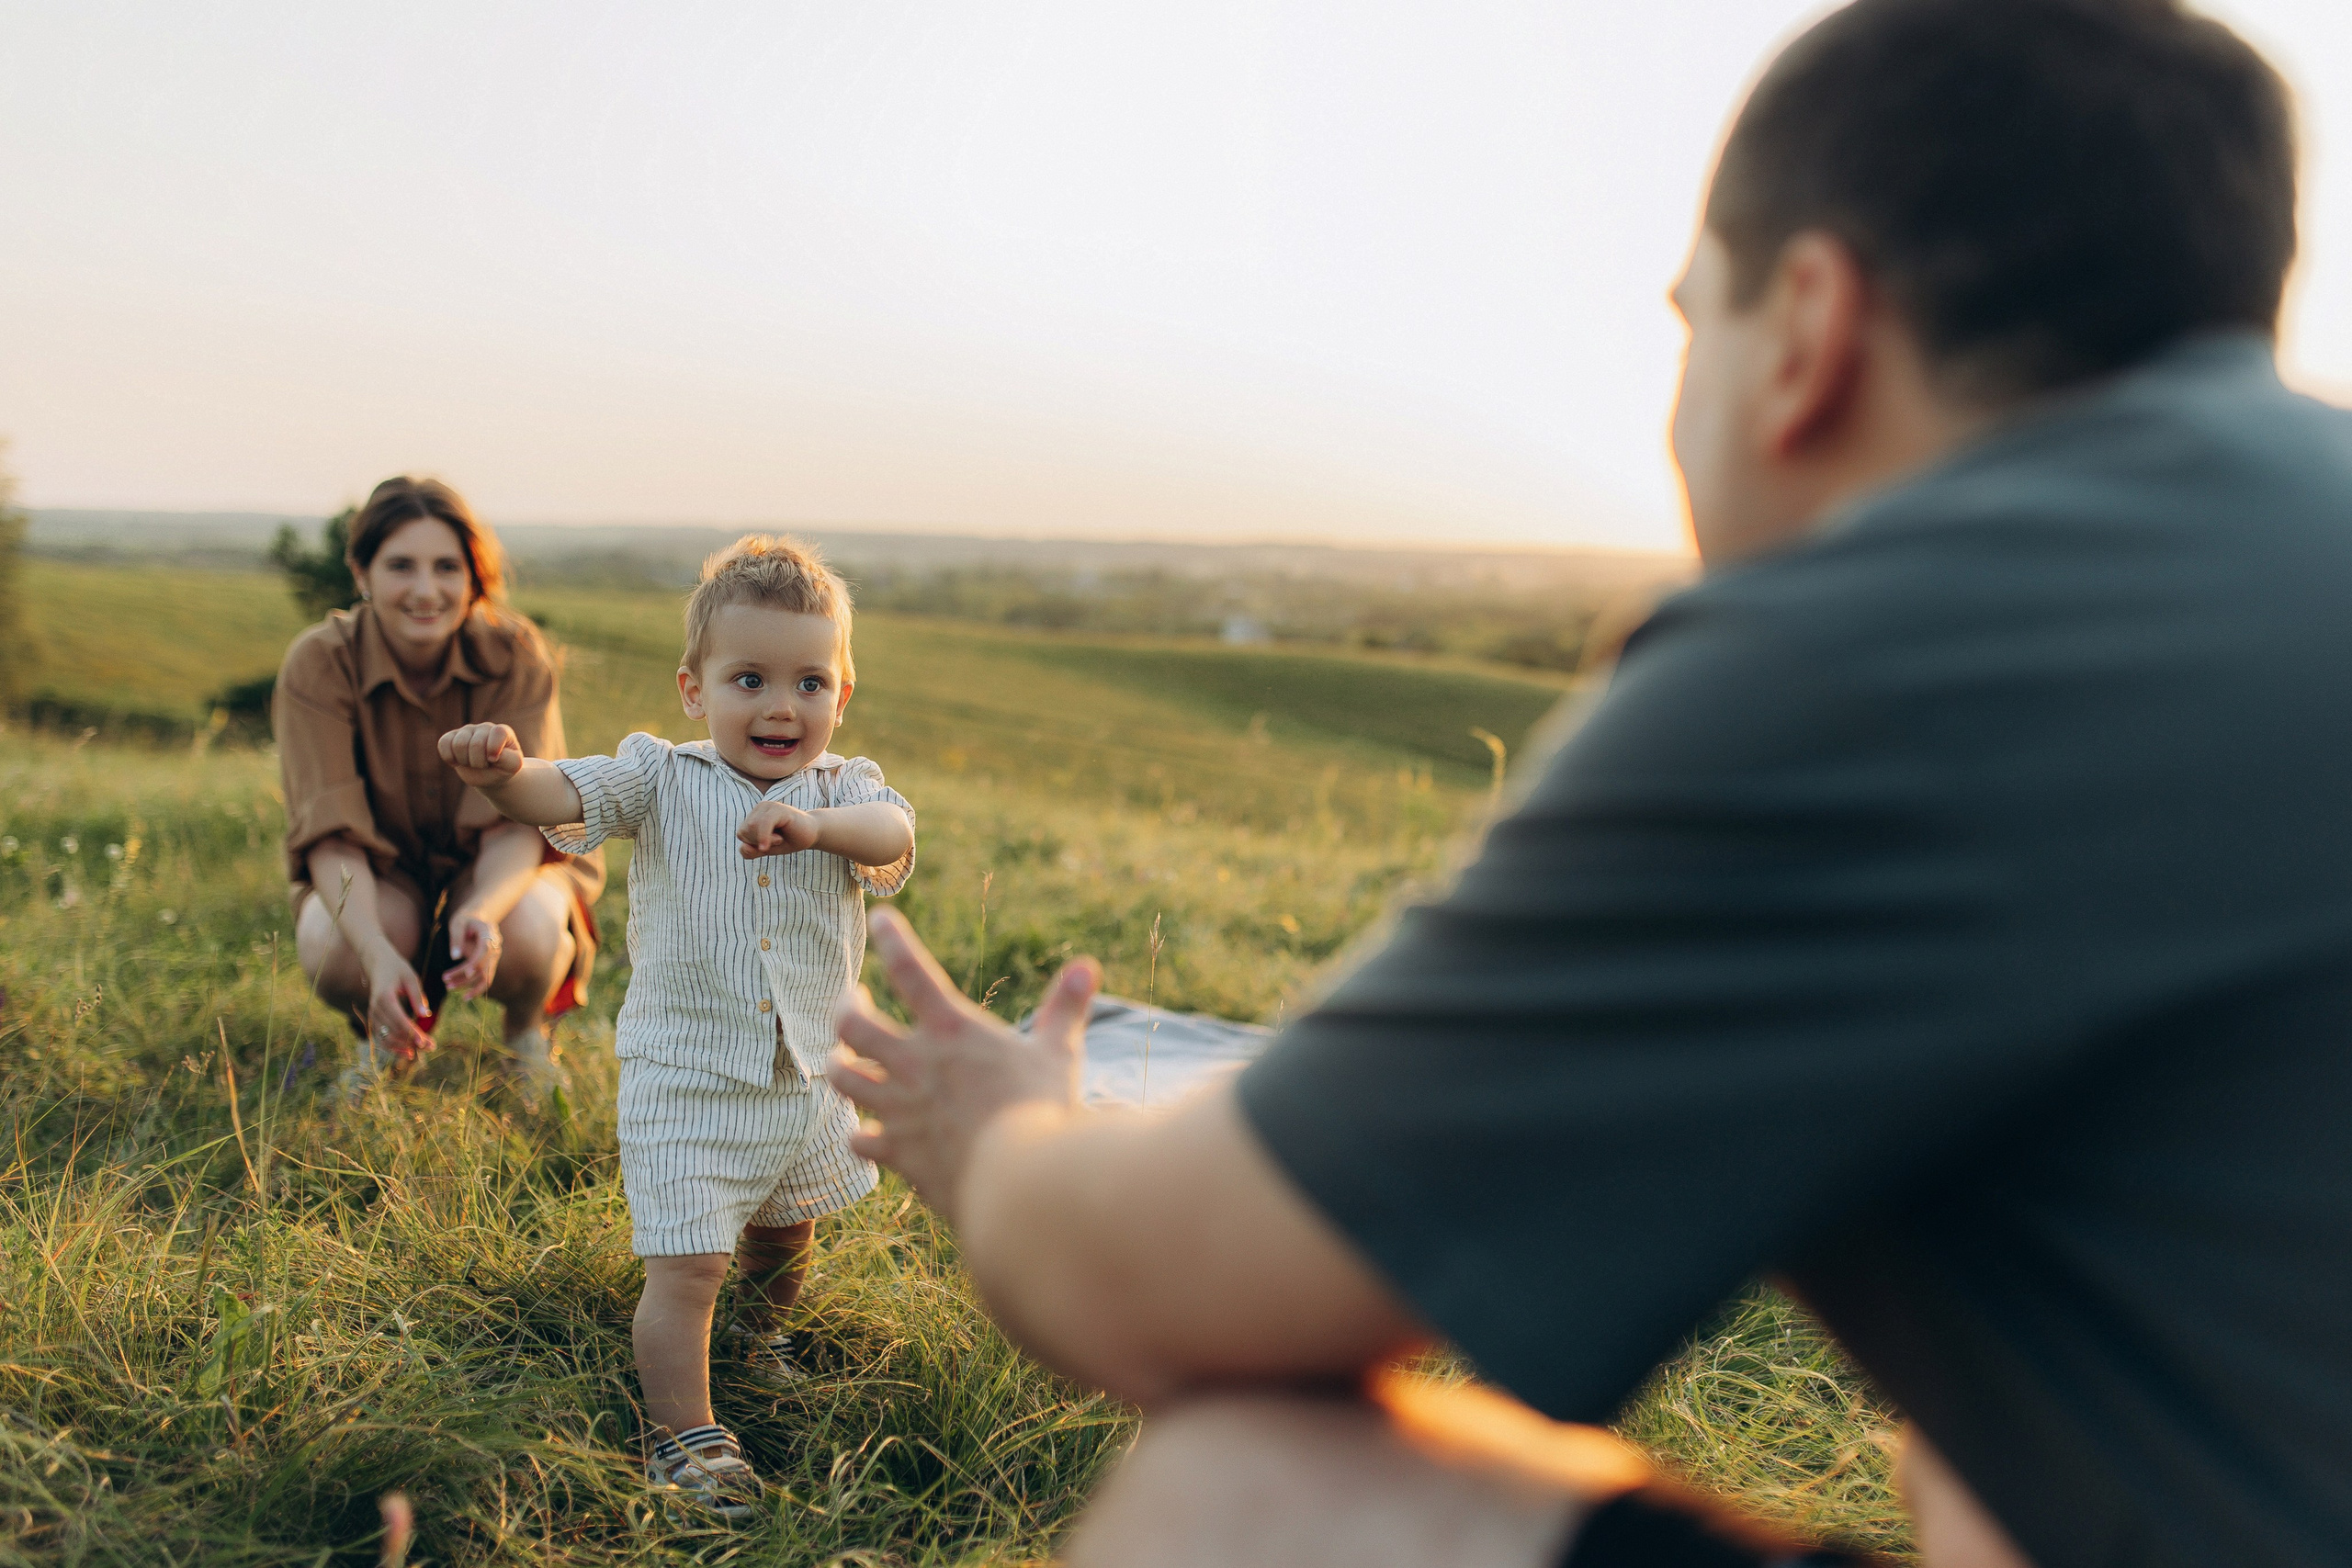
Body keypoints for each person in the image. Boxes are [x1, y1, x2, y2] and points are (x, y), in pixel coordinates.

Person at [825, 1, 2351, 1564]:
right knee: (1969, 1478)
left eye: (1694, 322)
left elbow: (1167, 1285)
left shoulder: (1881, 653)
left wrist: (1001, 1133)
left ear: (1808, 331)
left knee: (1245, 1495)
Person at [438, 535, 916, 1521]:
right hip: (687, 1079)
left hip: (802, 1079)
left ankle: (760, 1342)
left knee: (787, 1236)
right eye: (750, 678)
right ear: (695, 690)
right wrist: (502, 776)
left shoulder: (845, 792)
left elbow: (895, 836)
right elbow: (560, 797)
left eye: (809, 681)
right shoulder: (660, 777)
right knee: (690, 1261)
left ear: (843, 692)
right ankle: (684, 1432)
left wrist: (817, 829)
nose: (782, 706)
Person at [276, 476, 604, 1100]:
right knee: (332, 938)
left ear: (475, 576)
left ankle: (526, 1038)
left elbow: (521, 825)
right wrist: (374, 953)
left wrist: (481, 912)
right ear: (361, 571)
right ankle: (384, 1039)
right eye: (401, 565)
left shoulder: (516, 655)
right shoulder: (318, 663)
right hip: (381, 870)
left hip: (502, 863)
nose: (426, 590)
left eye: (447, 567)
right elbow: (331, 839)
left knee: (528, 928)